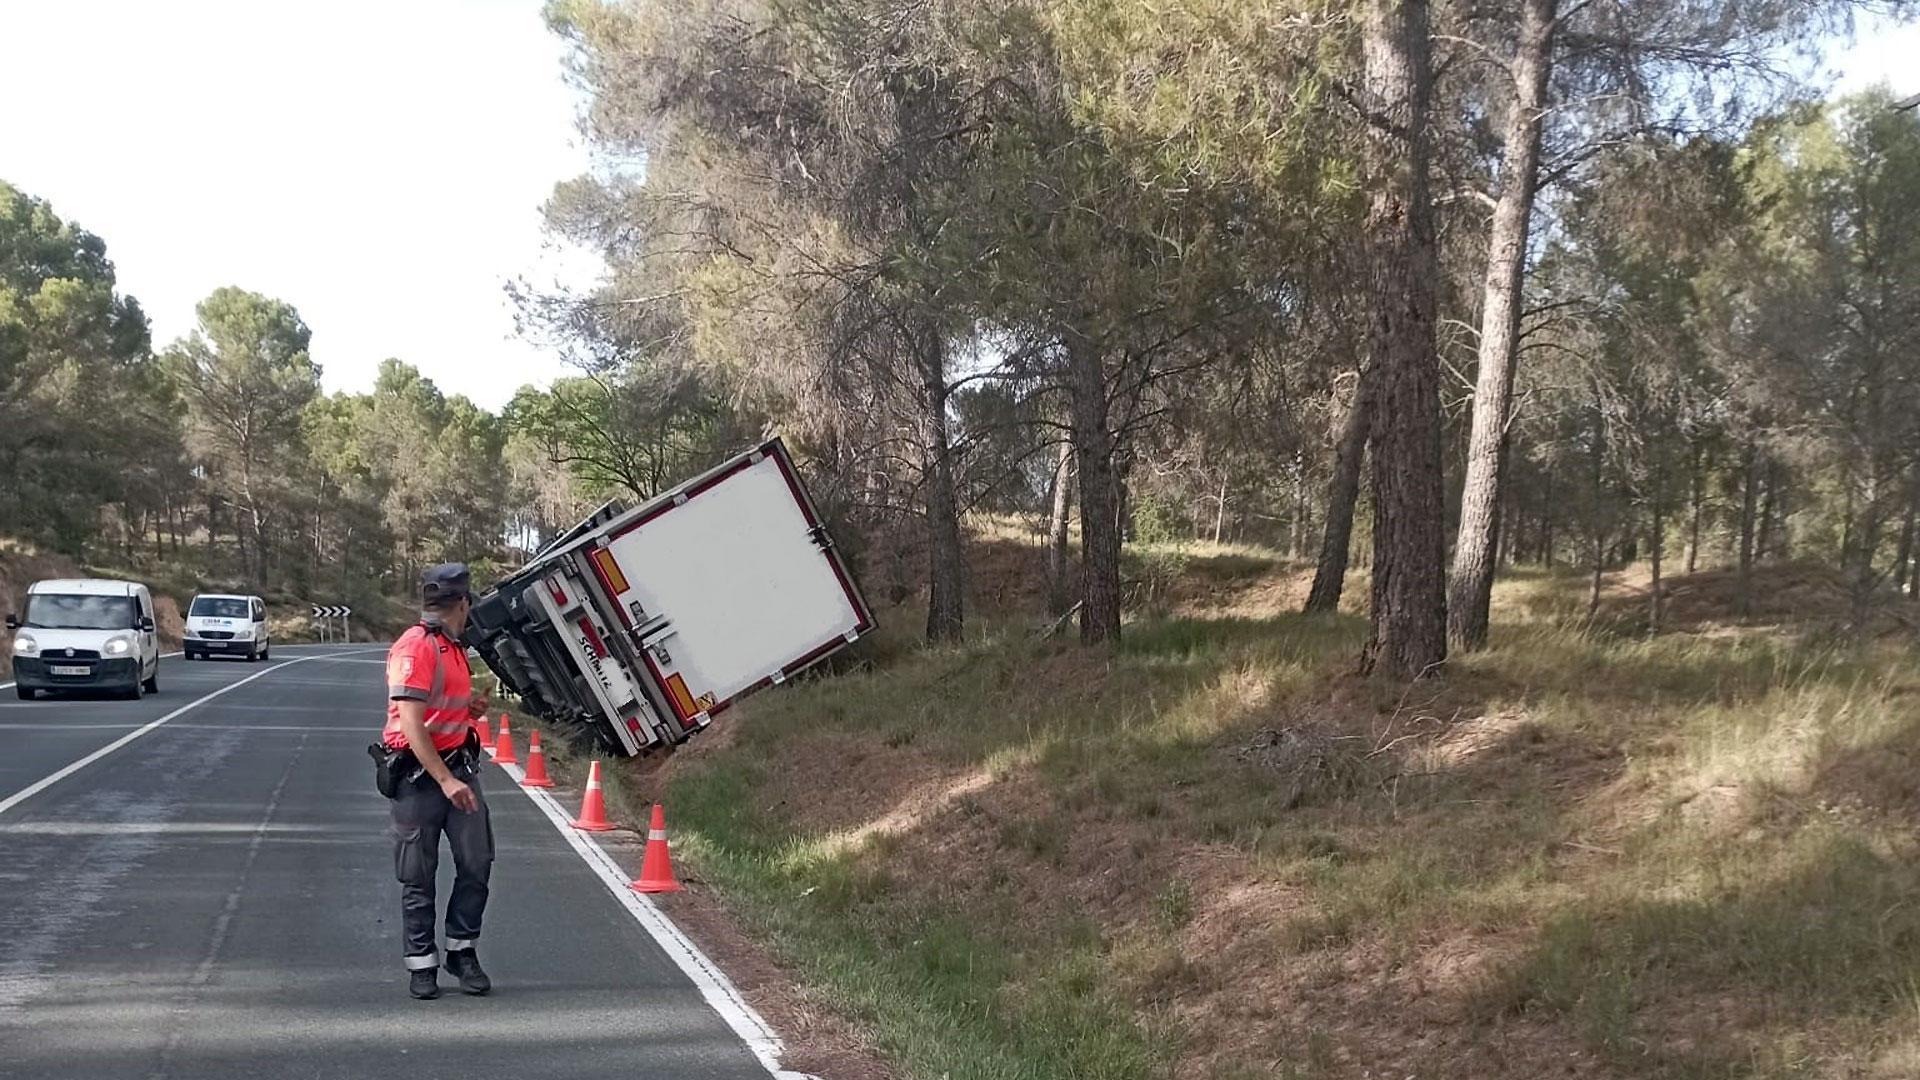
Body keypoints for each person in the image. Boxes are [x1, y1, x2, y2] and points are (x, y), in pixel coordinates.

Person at [381, 563, 494, 1000]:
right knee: (418, 874)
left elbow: (435, 711)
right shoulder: (415, 648)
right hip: (418, 777)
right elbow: (410, 722)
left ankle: (461, 952)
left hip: (457, 766)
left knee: (476, 862)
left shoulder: (452, 648)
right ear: (461, 604)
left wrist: (467, 717)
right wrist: (445, 781)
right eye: (468, 606)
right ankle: (421, 964)